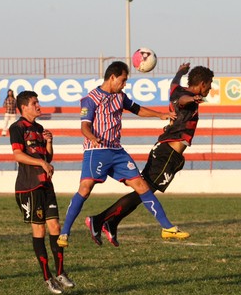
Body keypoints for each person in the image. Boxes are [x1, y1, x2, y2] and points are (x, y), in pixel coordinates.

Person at [57, 61, 189, 248]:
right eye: (123, 79)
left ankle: (167, 227)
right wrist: (93, 137)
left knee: (141, 185)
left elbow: (138, 109)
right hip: (97, 150)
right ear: (112, 77)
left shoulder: (120, 96)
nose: (124, 83)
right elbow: (84, 126)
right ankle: (64, 232)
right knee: (85, 188)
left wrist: (159, 115)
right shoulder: (91, 98)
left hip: (117, 151)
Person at [85, 63, 214, 246]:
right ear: (202, 83)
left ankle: (109, 222)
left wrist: (179, 72)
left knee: (143, 192)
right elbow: (182, 100)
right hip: (166, 153)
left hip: (168, 153)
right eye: (210, 83)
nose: (211, 87)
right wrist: (192, 99)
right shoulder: (185, 95)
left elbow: (174, 84)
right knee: (143, 192)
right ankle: (100, 220)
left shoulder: (177, 88)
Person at [9, 90, 74, 294]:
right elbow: (18, 155)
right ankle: (48, 278)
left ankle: (61, 272)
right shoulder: (17, 127)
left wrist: (49, 142)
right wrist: (40, 162)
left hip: (46, 185)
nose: (39, 105)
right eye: (35, 103)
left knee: (56, 226)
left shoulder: (39, 128)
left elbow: (48, 158)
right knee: (40, 231)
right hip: (29, 186)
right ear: (24, 107)